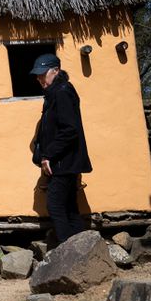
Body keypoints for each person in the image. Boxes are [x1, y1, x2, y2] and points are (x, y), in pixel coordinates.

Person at [30, 54, 92, 244]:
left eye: (43, 74)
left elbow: (69, 129)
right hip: (64, 160)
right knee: (69, 207)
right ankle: (82, 250)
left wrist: (49, 154)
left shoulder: (62, 91)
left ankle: (69, 252)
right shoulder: (54, 93)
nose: (39, 78)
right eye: (37, 75)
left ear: (55, 71)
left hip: (64, 161)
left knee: (56, 205)